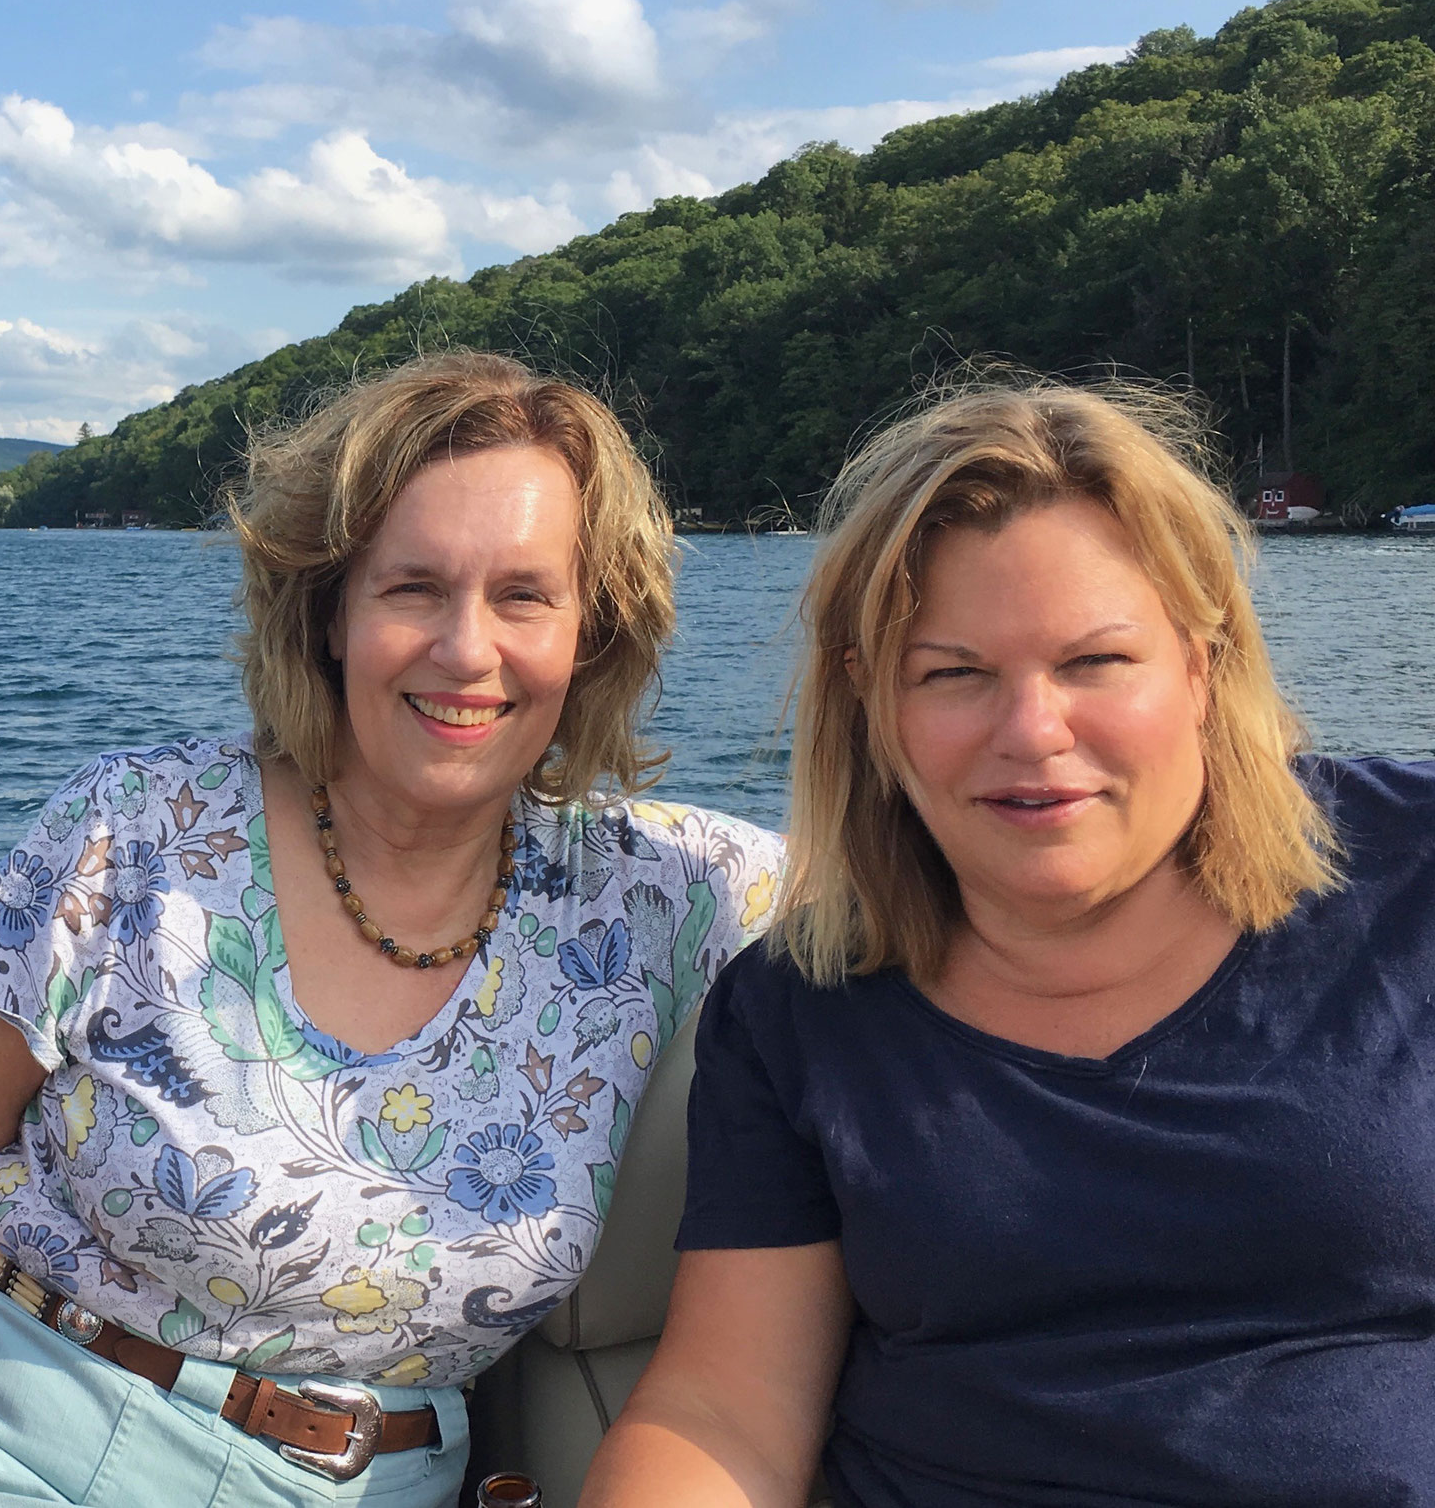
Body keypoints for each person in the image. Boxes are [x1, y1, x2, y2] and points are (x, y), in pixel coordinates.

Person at [0, 352, 787, 1507]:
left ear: (593, 631)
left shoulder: (667, 892)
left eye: (523, 595)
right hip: (12, 1440)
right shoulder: (137, 831)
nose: (466, 650)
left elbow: (960, 882)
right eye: (412, 587)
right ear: (327, 611)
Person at [581, 379, 1435, 1508]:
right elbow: (724, 1413)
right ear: (870, 701)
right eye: (952, 674)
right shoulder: (801, 1008)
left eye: (1094, 663)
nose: (1031, 732)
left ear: (1200, 660)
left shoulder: (1409, 880)